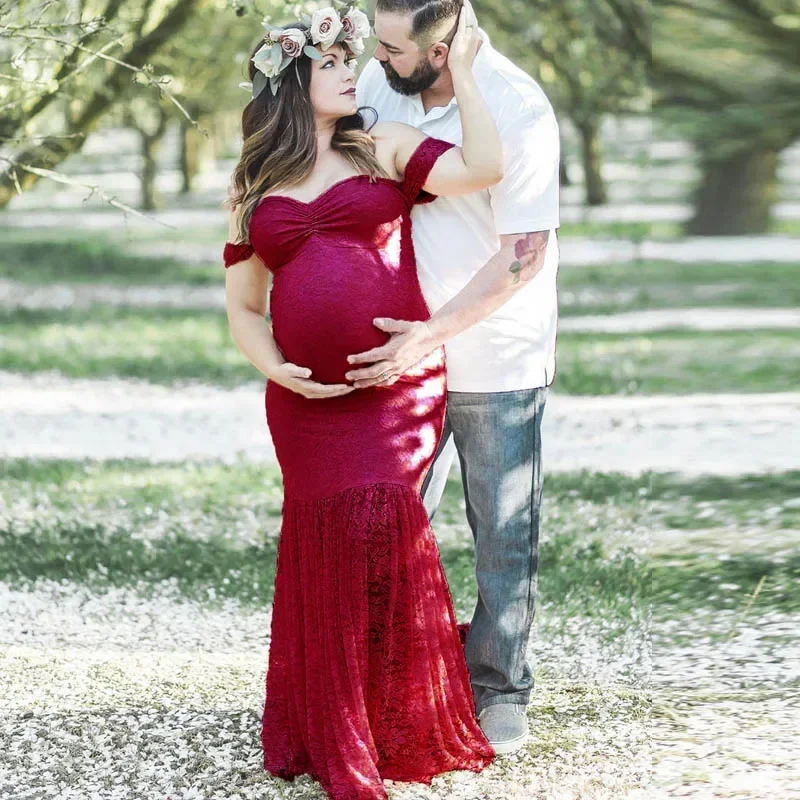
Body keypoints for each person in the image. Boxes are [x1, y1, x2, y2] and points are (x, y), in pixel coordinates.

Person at [222, 4, 502, 799]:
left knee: (380, 531)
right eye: (335, 64)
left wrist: (469, 78)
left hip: (393, 386)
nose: (355, 71)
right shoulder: (255, 181)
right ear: (291, 85)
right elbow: (244, 305)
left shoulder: (383, 148)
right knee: (323, 546)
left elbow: (483, 167)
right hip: (304, 404)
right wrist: (278, 369)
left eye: (354, 60)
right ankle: (334, 726)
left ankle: (396, 719)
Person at [350, 0, 561, 755]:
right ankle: (389, 683)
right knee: (383, 524)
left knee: (502, 533)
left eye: (392, 48)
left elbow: (522, 253)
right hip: (396, 356)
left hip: (494, 355)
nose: (376, 58)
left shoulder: (518, 108)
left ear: (442, 53)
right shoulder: (380, 86)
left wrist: (433, 335)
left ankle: (501, 689)